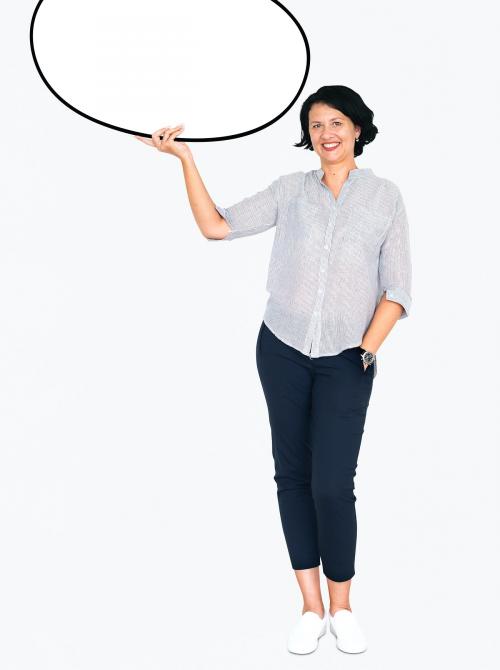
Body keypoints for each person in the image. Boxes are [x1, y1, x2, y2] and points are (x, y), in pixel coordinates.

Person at [134, 84, 412, 656]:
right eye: (315, 125)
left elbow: (398, 288)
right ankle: (311, 608)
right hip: (281, 350)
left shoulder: (385, 198)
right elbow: (217, 226)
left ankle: (344, 606)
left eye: (337, 122)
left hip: (346, 359)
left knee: (334, 485)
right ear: (308, 136)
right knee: (293, 477)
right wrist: (186, 159)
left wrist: (366, 350)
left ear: (357, 128)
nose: (326, 133)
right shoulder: (290, 192)